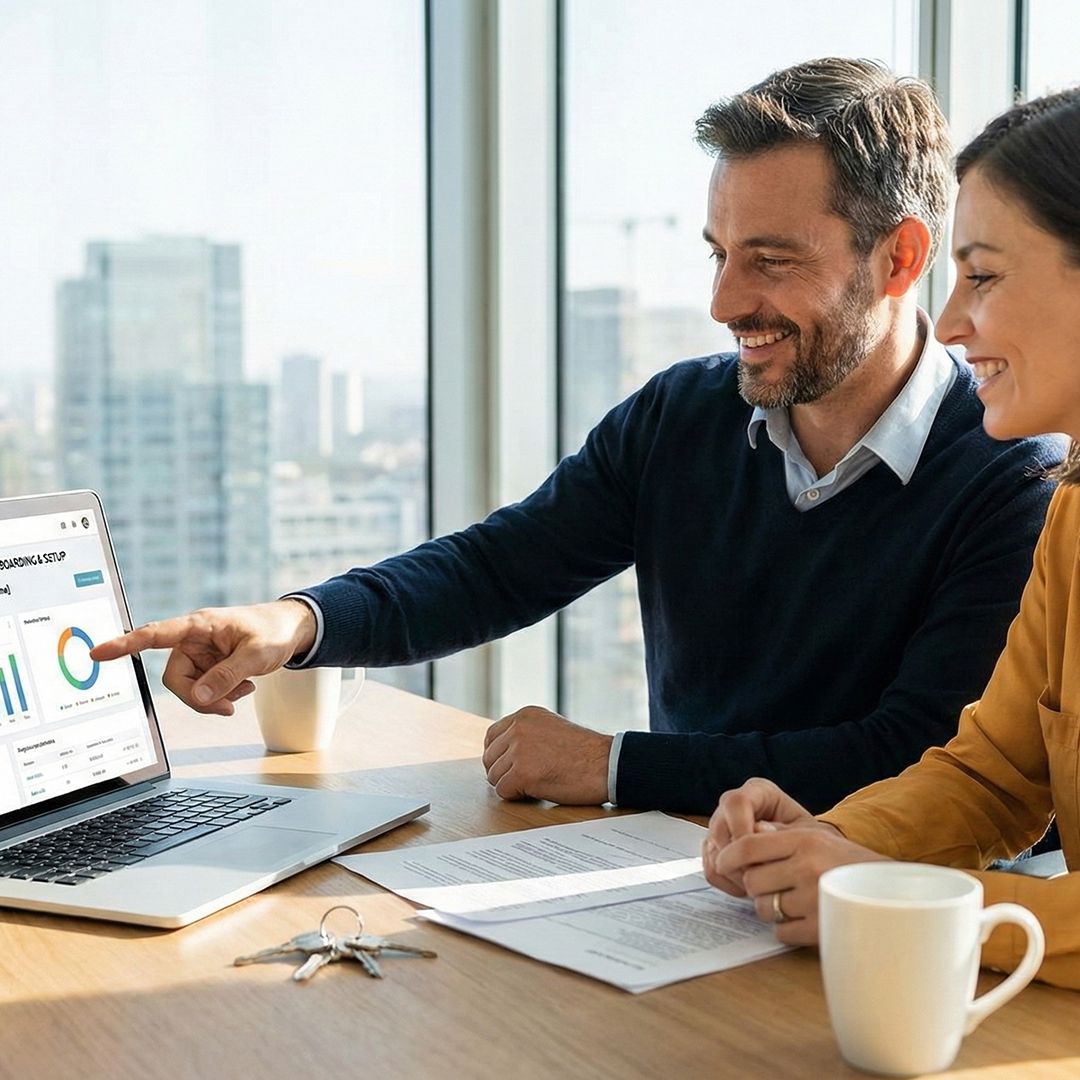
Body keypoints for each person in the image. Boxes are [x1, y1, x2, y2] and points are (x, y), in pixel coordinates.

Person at [92, 58, 1060, 816]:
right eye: (720, 256)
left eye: (769, 261)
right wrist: (296, 624)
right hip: (685, 894)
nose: (724, 303)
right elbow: (495, 567)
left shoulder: (1013, 477)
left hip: (890, 931)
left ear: (898, 258)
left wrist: (612, 765)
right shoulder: (681, 418)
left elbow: (919, 759)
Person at [702, 87, 1080, 991]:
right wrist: (832, 841)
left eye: (982, 276)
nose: (950, 324)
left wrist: (899, 894)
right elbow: (993, 773)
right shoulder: (1072, 515)